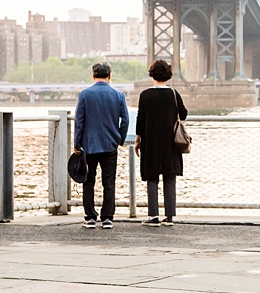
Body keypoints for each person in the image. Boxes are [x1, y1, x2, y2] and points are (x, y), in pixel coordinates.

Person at [74, 61, 129, 228]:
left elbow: (79, 121)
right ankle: (107, 218)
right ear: (110, 76)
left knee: (88, 181)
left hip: (89, 145)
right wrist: (119, 138)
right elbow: (125, 120)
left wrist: (77, 143)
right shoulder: (118, 95)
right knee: (109, 182)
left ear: (93, 75)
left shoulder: (84, 94)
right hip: (110, 144)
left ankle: (90, 217)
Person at [133, 59, 187, 225]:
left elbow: (140, 119)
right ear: (168, 75)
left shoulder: (145, 95)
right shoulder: (173, 94)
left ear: (152, 75)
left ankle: (153, 216)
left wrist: (137, 139)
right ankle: (169, 216)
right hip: (171, 144)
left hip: (151, 144)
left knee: (152, 178)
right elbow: (183, 114)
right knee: (170, 179)